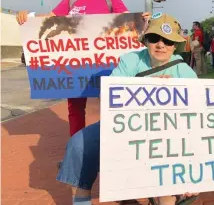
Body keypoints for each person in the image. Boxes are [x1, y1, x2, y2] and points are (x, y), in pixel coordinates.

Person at [56, 13, 199, 205]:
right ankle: (81, 199)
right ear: (146, 40)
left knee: (169, 161)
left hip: (166, 133)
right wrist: (143, 88)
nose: (160, 45)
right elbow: (110, 96)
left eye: (168, 40)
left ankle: (170, 196)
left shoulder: (185, 72)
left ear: (175, 45)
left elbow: (198, 119)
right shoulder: (129, 61)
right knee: (79, 144)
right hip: (124, 125)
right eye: (154, 38)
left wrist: (195, 174)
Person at [15, 0, 150, 138]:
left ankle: (112, 146)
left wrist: (142, 20)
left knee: (110, 106)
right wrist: (28, 16)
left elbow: (127, 22)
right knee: (75, 110)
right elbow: (50, 19)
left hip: (105, 64)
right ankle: (76, 150)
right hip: (76, 66)